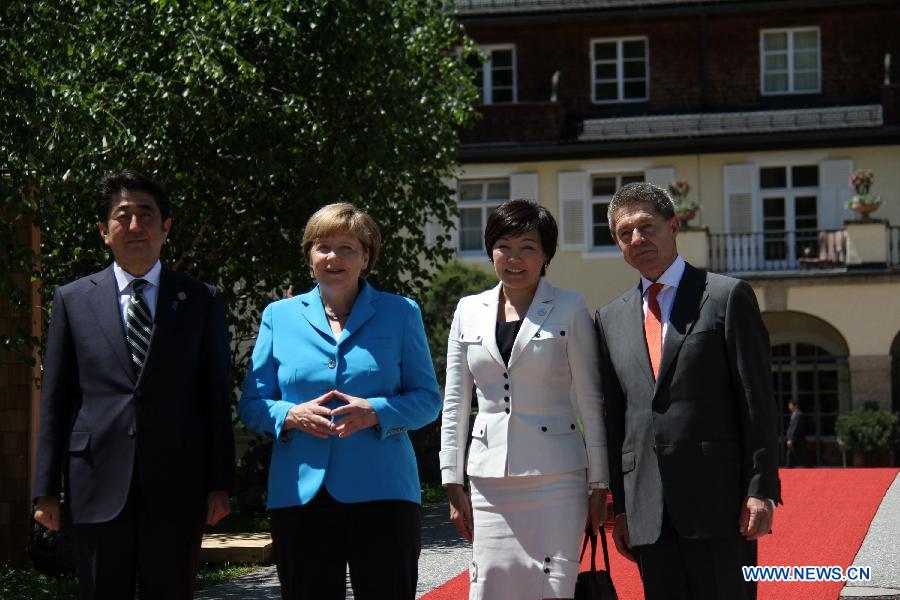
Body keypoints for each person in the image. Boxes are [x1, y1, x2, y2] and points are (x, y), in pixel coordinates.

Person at [32, 170, 235, 599]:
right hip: (95, 481)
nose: (135, 225)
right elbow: (56, 400)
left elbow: (215, 397)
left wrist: (221, 484)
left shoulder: (200, 299)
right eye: (122, 216)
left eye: (147, 214)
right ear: (105, 232)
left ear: (166, 227)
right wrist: (45, 491)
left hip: (178, 483)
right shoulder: (72, 299)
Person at [238, 203, 440, 600]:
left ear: (366, 258)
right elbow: (253, 403)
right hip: (300, 494)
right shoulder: (279, 316)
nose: (334, 257)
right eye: (323, 247)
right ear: (309, 257)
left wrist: (376, 411)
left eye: (348, 248)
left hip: (384, 492)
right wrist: (289, 414)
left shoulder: (401, 313)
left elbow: (427, 400)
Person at [595, 182, 781, 600]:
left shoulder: (725, 296)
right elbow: (615, 419)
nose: (637, 239)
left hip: (719, 504)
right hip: (648, 511)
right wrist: (621, 508)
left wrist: (761, 489)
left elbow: (756, 402)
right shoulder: (609, 318)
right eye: (625, 234)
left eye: (647, 227)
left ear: (674, 226)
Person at [440, 199, 609, 600]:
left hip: (558, 480)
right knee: (490, 584)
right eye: (504, 246)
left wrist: (599, 485)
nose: (514, 258)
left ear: (546, 254)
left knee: (553, 586)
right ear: (490, 250)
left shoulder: (570, 307)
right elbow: (455, 403)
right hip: (488, 481)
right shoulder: (467, 310)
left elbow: (591, 400)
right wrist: (452, 481)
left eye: (527, 247)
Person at [785, 399, 808, 467]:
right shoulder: (794, 414)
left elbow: (795, 428)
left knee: (799, 456)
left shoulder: (798, 415)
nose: (789, 407)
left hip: (797, 441)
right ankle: (789, 467)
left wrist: (791, 439)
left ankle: (807, 467)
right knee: (791, 455)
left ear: (795, 406)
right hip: (795, 441)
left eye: (790, 405)